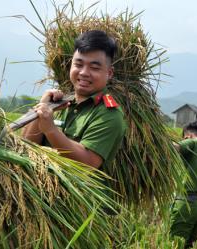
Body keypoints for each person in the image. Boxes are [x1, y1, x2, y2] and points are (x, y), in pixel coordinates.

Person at [22, 30, 126, 171]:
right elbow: (25, 148)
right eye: (78, 64)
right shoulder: (58, 103)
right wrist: (42, 107)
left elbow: (87, 163)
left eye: (94, 67)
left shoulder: (110, 115)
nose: (83, 72)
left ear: (109, 73)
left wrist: (51, 130)